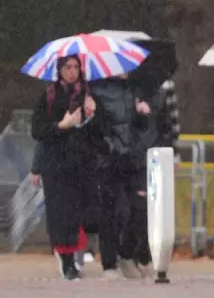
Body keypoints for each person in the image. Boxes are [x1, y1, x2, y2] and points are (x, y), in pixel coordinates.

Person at [31, 55, 106, 280]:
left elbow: (99, 134)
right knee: (62, 215)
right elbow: (38, 131)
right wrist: (61, 125)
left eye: (76, 67)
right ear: (59, 70)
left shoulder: (89, 96)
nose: (72, 71)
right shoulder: (49, 96)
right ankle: (67, 261)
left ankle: (78, 252)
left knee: (85, 213)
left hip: (83, 164)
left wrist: (93, 115)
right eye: (67, 67)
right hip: (56, 165)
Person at [92, 73, 153, 279]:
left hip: (133, 159)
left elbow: (139, 129)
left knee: (140, 209)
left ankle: (127, 253)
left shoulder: (134, 88)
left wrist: (142, 115)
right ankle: (109, 263)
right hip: (109, 161)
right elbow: (96, 129)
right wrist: (109, 146)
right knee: (112, 213)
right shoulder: (95, 90)